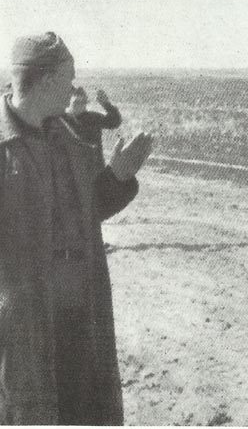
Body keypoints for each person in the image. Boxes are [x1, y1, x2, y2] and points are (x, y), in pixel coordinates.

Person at [0, 32, 153, 424]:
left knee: (80, 407)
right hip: (23, 319)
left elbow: (86, 212)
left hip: (79, 306)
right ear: (47, 81)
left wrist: (117, 178)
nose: (73, 87)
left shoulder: (65, 137)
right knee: (29, 408)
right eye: (68, 78)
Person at [64, 86, 122, 159]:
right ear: (69, 103)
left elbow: (115, 121)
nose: (80, 105)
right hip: (73, 166)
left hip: (94, 165)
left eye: (83, 102)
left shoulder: (93, 118)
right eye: (76, 102)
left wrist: (106, 104)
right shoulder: (64, 120)